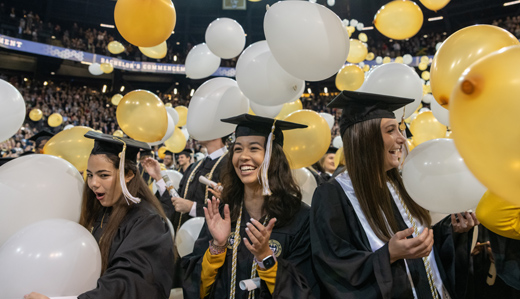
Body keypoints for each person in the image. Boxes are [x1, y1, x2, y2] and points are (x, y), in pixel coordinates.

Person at [310, 90, 478, 299]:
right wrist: (388, 255)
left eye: (399, 129)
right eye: (391, 130)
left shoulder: (401, 184)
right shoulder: (333, 195)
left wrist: (452, 230)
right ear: (364, 138)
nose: (402, 138)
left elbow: (425, 251)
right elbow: (333, 265)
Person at [25, 131, 174, 299]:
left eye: (104, 175)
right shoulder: (100, 212)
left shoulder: (147, 222)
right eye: (90, 175)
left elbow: (128, 285)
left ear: (128, 175)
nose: (93, 183)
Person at [183, 114, 318, 299]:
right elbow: (196, 288)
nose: (243, 157)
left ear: (273, 157)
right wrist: (217, 247)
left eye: (254, 149)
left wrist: (265, 258)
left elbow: (305, 290)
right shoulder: (224, 214)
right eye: (237, 149)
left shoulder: (299, 218)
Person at [170, 135, 229, 288]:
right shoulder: (196, 166)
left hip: (212, 247)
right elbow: (179, 199)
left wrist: (192, 208)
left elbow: (230, 208)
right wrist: (159, 176)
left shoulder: (229, 164)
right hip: (185, 242)